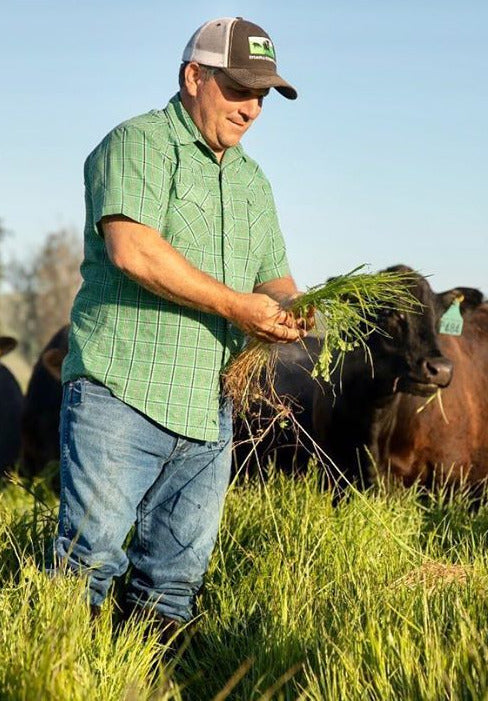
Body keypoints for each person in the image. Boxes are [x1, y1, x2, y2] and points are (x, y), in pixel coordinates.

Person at [51, 17, 309, 632]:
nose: (251, 108)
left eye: (262, 94)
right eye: (239, 88)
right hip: (122, 392)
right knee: (88, 565)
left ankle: (153, 682)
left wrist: (296, 308)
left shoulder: (251, 181)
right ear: (194, 76)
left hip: (209, 408)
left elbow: (273, 278)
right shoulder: (138, 144)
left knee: (172, 585)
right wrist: (237, 308)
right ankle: (57, 677)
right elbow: (131, 249)